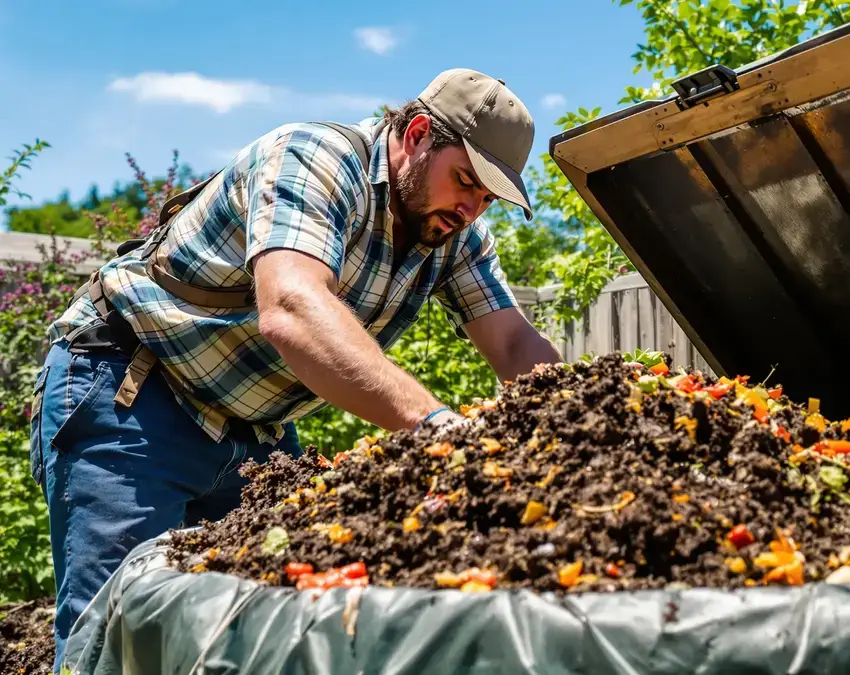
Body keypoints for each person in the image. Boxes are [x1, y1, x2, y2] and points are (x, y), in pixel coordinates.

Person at [29, 67, 563, 671]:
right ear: (416, 135)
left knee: (249, 641)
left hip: (255, 433)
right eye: (465, 181)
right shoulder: (315, 159)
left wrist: (567, 428)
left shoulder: (452, 235)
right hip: (136, 391)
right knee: (121, 641)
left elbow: (516, 343)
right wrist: (435, 428)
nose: (470, 209)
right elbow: (291, 308)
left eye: (487, 198)